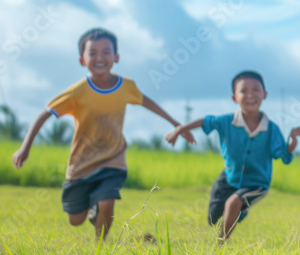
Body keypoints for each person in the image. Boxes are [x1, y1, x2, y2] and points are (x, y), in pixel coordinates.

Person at [12, 28, 193, 240]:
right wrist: (25, 147)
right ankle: (91, 210)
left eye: (106, 52)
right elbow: (45, 114)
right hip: (81, 163)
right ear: (82, 60)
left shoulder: (126, 86)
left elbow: (147, 102)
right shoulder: (77, 91)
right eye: (93, 53)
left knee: (108, 201)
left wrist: (176, 124)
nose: (100, 57)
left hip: (113, 158)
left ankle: (101, 248)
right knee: (75, 219)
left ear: (116, 57)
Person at [165, 71, 300, 242]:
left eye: (255, 90)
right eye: (243, 91)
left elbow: (284, 153)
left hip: (257, 183)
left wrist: (293, 139)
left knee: (233, 203)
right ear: (234, 97)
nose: (250, 95)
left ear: (264, 94)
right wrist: (179, 130)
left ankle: (221, 244)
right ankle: (238, 211)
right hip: (229, 177)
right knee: (213, 219)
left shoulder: (271, 129)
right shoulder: (226, 121)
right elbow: (205, 121)